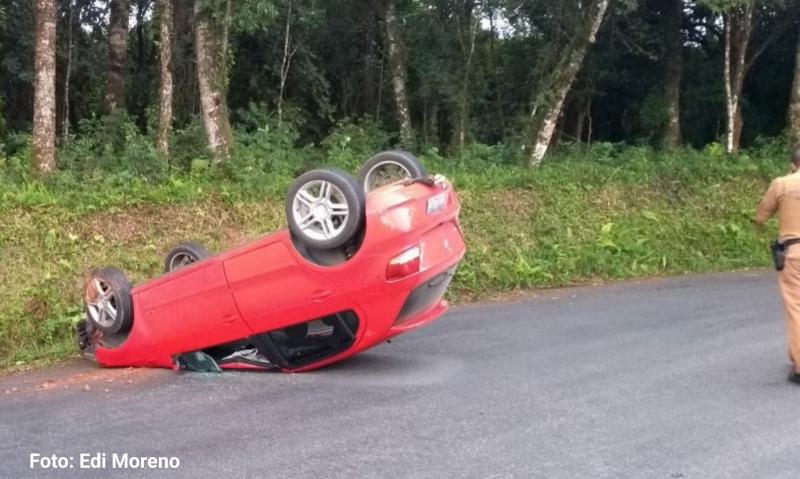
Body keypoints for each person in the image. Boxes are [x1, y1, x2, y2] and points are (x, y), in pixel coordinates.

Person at [756, 147, 800, 384]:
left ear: (793, 164)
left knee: (796, 307)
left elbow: (762, 216)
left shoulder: (782, 183)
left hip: (795, 253)